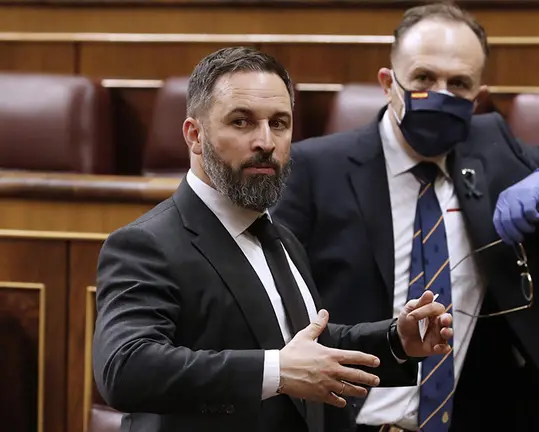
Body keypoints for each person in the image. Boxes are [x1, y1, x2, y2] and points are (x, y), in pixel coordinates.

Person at [271, 3, 539, 432]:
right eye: (423, 79)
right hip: (345, 420)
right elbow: (269, 307)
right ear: (388, 83)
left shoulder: (493, 152)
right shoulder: (315, 169)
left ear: (477, 96)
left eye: (458, 84)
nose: (440, 94)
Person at [91, 46, 455, 432]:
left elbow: (297, 345)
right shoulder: (145, 244)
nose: (266, 141)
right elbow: (126, 367)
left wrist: (394, 340)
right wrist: (276, 371)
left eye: (279, 123)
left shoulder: (280, 238)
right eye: (242, 122)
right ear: (195, 135)